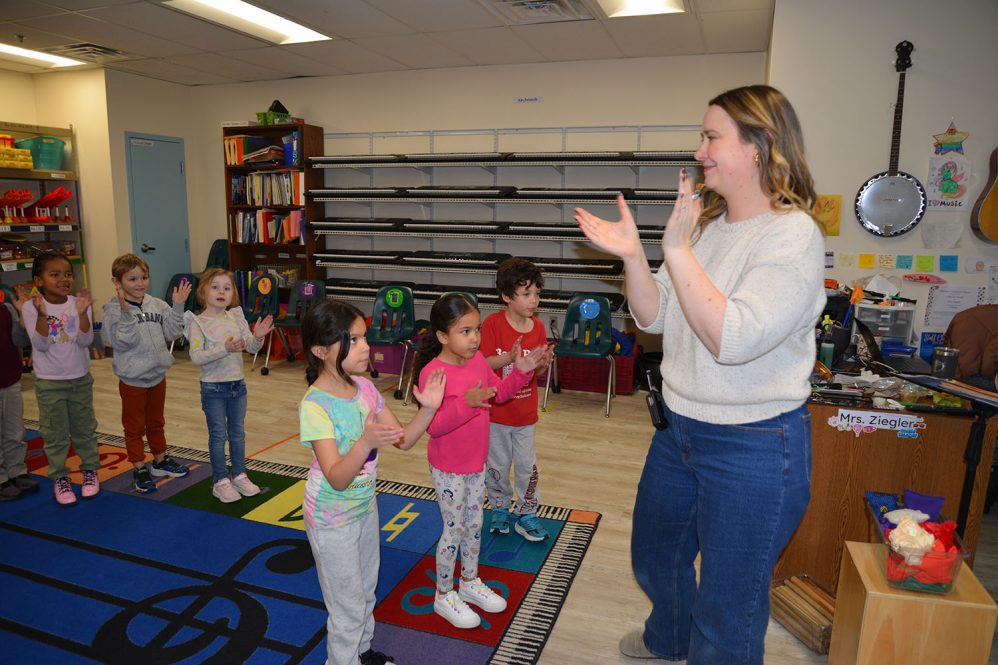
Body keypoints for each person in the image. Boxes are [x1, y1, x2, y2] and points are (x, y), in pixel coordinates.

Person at [575, 85, 826, 665]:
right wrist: (637, 256)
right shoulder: (707, 228)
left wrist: (677, 251)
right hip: (679, 429)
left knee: (728, 607)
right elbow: (654, 316)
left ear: (761, 146)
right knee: (655, 556)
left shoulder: (792, 236)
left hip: (755, 443)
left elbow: (732, 339)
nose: (700, 150)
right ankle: (670, 638)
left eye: (712, 137)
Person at [299, 298, 446, 665]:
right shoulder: (315, 406)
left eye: (364, 337)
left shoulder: (364, 388)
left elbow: (405, 439)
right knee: (345, 606)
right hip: (332, 517)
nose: (367, 347)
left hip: (364, 507)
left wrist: (428, 408)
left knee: (365, 591)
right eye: (354, 340)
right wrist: (365, 442)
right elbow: (336, 477)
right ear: (321, 350)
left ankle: (361, 654)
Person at [412, 293, 552, 629]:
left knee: (475, 526)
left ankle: (469, 581)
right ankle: (443, 594)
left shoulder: (476, 363)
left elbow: (500, 395)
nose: (475, 338)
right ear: (443, 336)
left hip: (476, 463)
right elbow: (434, 427)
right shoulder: (434, 373)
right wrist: (469, 404)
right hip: (448, 466)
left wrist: (519, 372)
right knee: (455, 528)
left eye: (476, 330)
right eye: (465, 331)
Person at [102, 254, 192, 494]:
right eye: (132, 278)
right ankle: (139, 467)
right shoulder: (112, 310)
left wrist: (178, 306)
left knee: (156, 422)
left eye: (144, 277)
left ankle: (160, 461)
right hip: (132, 380)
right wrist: (124, 315)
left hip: (157, 375)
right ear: (117, 282)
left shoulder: (156, 304)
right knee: (134, 427)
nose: (140, 283)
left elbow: (173, 334)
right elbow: (122, 342)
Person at [185, 267, 273, 504]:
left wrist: (259, 335)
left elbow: (252, 348)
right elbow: (196, 356)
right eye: (215, 287)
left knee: (237, 434)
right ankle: (220, 481)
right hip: (213, 388)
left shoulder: (236, 316)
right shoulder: (198, 322)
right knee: (218, 436)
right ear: (203, 292)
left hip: (237, 386)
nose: (221, 292)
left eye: (227, 287)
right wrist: (224, 348)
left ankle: (239, 474)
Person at [21, 251, 102, 506]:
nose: (64, 279)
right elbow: (41, 345)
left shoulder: (77, 303)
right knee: (55, 432)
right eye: (54, 274)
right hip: (49, 382)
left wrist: (82, 314)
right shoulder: (31, 307)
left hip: (79, 378)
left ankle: (90, 471)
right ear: (39, 280)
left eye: (67, 274)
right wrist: (43, 315)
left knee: (84, 429)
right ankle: (60, 477)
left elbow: (87, 341)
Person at [481, 258, 553, 541]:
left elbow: (535, 373)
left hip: (525, 415)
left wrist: (544, 363)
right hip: (497, 414)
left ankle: (526, 513)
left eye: (537, 293)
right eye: (526, 294)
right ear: (507, 296)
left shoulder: (537, 328)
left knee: (526, 466)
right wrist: (510, 358)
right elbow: (484, 363)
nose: (534, 300)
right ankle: (499, 506)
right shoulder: (493, 324)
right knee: (497, 466)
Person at [0, 286, 36, 500]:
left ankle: (16, 471)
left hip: (10, 378)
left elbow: (20, 340)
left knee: (15, 430)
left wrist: (23, 315)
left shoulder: (6, 308)